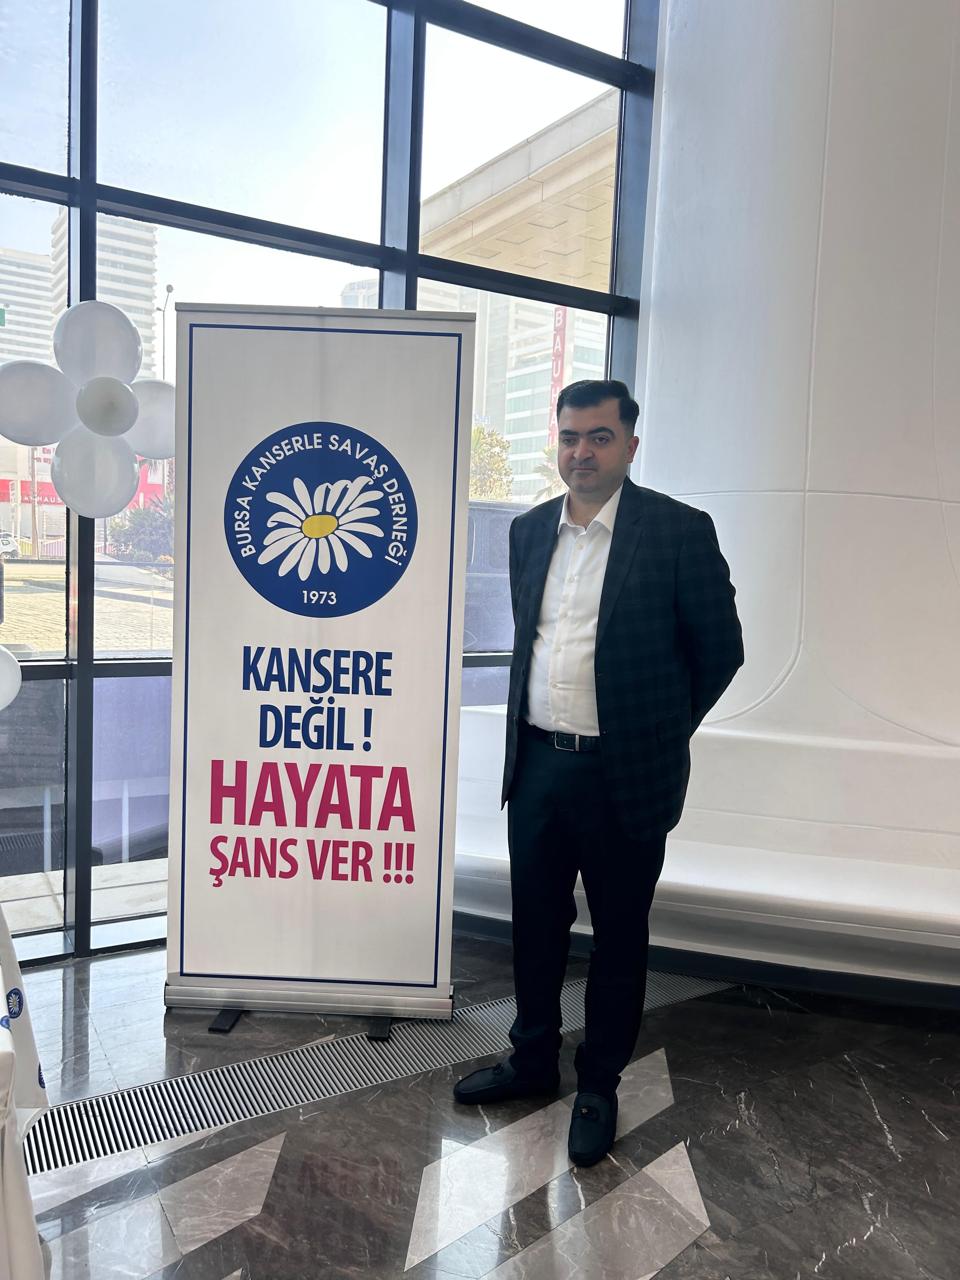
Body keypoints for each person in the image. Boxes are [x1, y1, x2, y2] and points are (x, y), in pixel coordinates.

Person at [453, 379, 745, 1166]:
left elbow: (721, 650)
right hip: (538, 767)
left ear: (630, 446)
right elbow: (536, 641)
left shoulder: (678, 531)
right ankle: (532, 1059)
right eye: (569, 437)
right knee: (535, 926)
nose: (581, 452)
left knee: (618, 936)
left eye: (599, 437)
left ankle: (599, 1084)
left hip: (626, 774)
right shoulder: (527, 532)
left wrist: (657, 732)